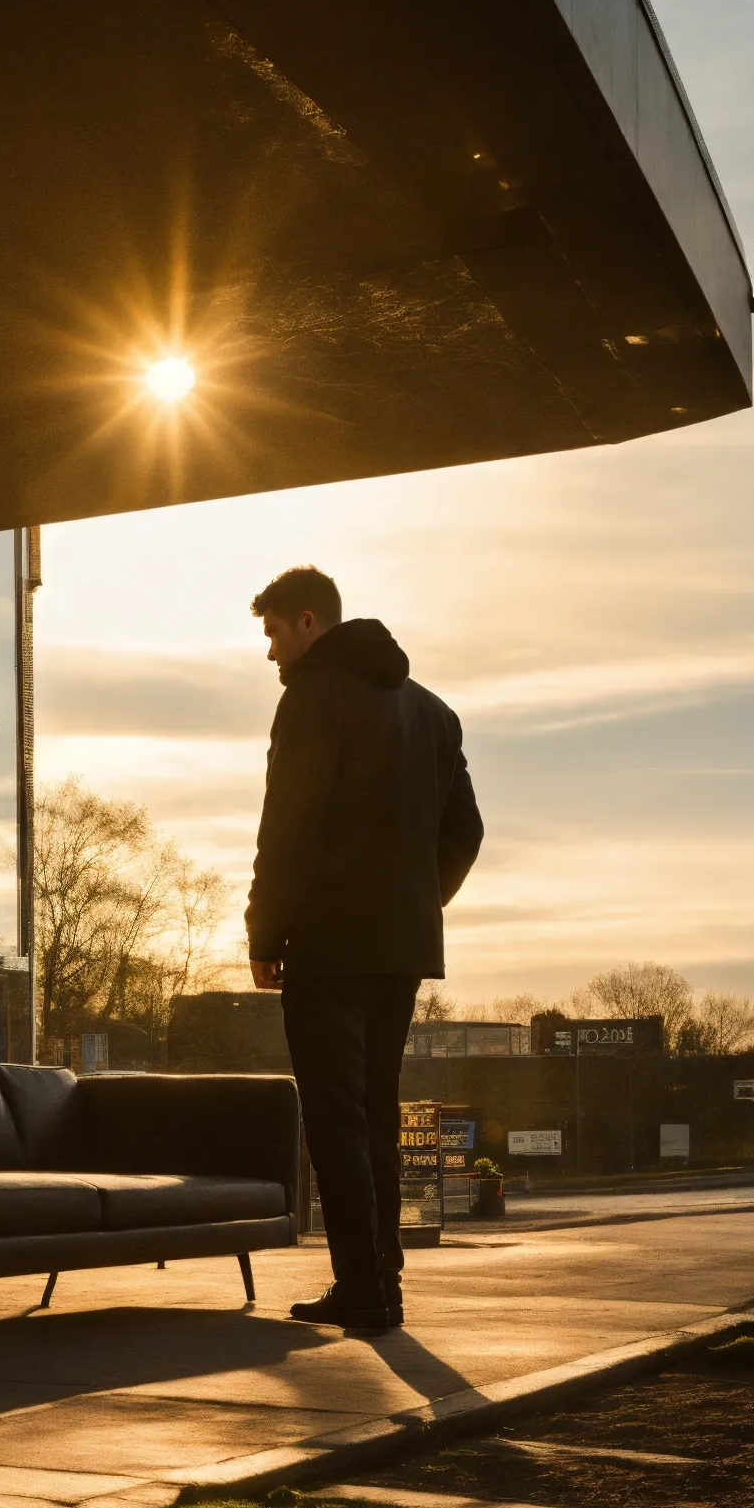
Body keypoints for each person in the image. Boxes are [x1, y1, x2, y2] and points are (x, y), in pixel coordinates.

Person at [245, 566, 483, 1333]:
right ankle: (383, 1283)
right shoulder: (435, 714)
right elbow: (466, 833)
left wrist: (264, 932)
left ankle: (362, 1289)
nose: (272, 654)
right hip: (401, 946)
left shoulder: (311, 700)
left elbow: (287, 826)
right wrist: (416, 900)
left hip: (327, 944)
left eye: (275, 634)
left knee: (336, 1117)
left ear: (309, 622)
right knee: (376, 1112)